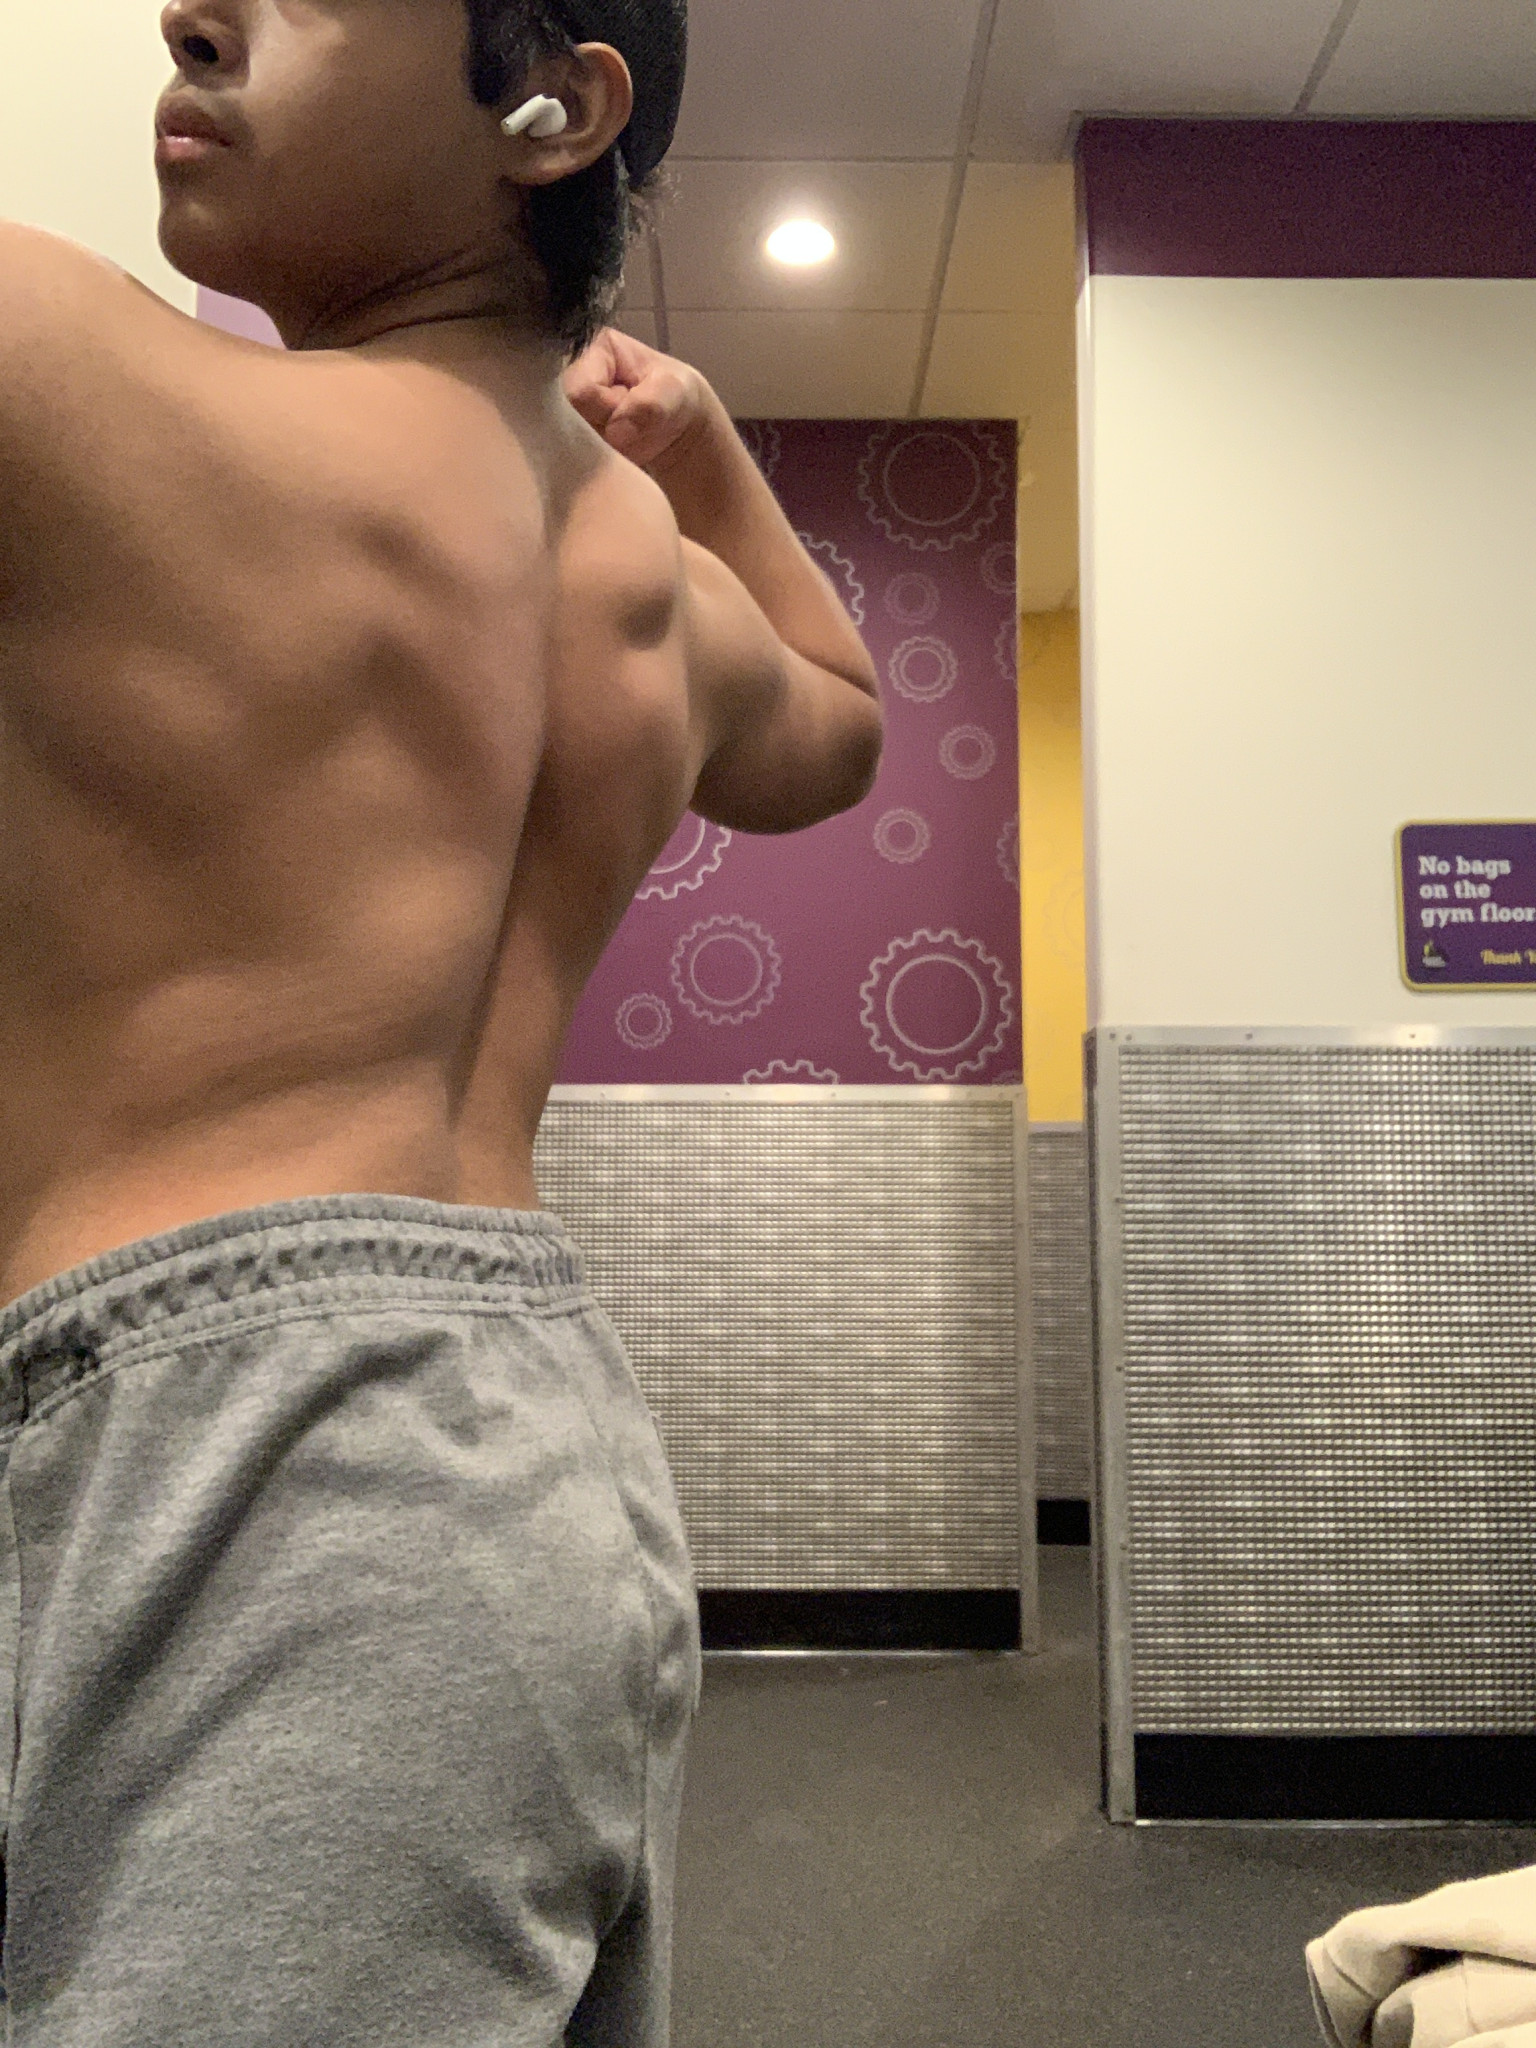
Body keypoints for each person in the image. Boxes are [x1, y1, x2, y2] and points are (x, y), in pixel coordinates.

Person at [0, 0, 882, 2038]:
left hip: (239, 1469)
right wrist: (704, 453)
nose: (190, 10)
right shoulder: (645, 586)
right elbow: (839, 724)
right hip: (542, 1465)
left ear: (554, 109)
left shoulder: (67, 369)